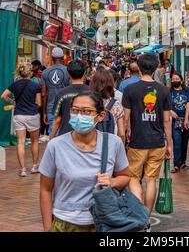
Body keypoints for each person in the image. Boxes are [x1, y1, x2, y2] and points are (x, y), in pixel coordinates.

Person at [39, 92, 130, 232]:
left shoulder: (113, 143)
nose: (79, 115)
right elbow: (45, 189)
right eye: (74, 110)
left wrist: (112, 182)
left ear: (101, 116)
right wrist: (47, 228)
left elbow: (125, 177)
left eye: (86, 111)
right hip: (64, 223)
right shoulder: (55, 146)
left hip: (102, 223)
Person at [122, 53, 172, 231]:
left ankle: (139, 216)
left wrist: (125, 136)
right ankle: (146, 220)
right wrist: (169, 144)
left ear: (139, 66)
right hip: (157, 142)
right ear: (156, 67)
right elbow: (167, 121)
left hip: (136, 142)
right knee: (151, 180)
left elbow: (126, 118)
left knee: (133, 179)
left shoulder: (130, 90)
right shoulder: (164, 90)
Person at [1, 65, 42, 177]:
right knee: (34, 141)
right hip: (32, 115)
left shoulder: (15, 85)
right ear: (30, 73)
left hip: (19, 115)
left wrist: (12, 102)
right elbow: (39, 103)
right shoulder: (35, 85)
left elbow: (3, 96)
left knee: (20, 142)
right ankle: (34, 167)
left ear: (20, 73)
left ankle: (23, 169)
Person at [50, 60, 89, 138]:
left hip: (66, 135)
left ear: (68, 74)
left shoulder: (62, 94)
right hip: (87, 135)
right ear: (85, 73)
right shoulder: (92, 93)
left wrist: (52, 136)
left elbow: (57, 119)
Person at [90, 70, 125, 144]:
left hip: (89, 144)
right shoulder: (116, 105)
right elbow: (121, 133)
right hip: (108, 145)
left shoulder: (88, 102)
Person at [41, 47, 70, 133]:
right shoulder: (68, 71)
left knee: (53, 132)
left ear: (52, 58)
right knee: (65, 133)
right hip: (65, 107)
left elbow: (43, 94)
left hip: (51, 107)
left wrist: (44, 112)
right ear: (63, 57)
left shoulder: (45, 72)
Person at [170, 74, 189, 173]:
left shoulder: (187, 91)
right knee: (177, 142)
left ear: (181, 80)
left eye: (177, 79)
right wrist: (170, 111)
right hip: (175, 121)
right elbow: (164, 104)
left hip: (186, 120)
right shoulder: (169, 92)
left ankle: (183, 162)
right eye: (173, 79)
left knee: (184, 142)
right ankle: (176, 164)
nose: (175, 80)